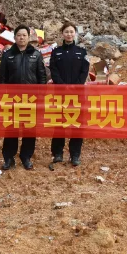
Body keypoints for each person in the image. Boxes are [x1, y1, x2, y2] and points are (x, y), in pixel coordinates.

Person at [0, 25, 48, 171]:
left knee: (29, 130)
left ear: (28, 37)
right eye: (19, 35)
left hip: (31, 100)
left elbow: (42, 77)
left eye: (24, 35)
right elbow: (3, 79)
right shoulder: (8, 55)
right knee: (11, 130)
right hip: (12, 100)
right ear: (14, 38)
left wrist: (41, 97)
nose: (21, 38)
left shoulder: (36, 55)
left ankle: (26, 157)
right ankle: (8, 158)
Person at [49, 22, 90, 167]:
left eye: (71, 32)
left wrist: (76, 87)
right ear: (62, 34)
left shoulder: (81, 52)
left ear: (75, 34)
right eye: (66, 32)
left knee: (77, 125)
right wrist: (62, 86)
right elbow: (53, 70)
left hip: (77, 95)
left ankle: (75, 155)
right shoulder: (56, 52)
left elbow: (84, 71)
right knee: (59, 124)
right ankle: (58, 154)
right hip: (60, 94)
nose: (69, 34)